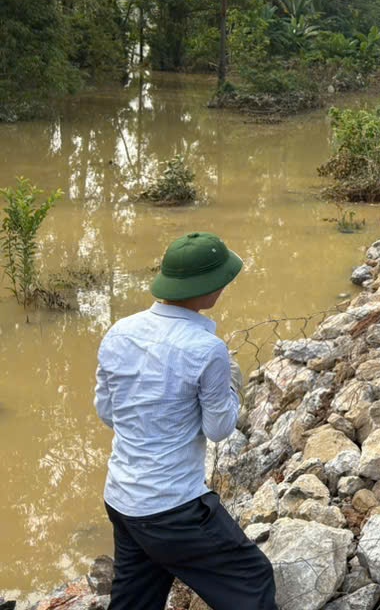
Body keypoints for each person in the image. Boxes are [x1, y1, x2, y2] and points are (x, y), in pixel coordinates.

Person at [95, 232, 277, 609]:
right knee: (252, 578)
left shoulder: (119, 332)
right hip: (173, 509)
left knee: (135, 598)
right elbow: (219, 429)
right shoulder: (207, 349)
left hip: (122, 499)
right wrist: (232, 384)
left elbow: (107, 413)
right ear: (209, 288)